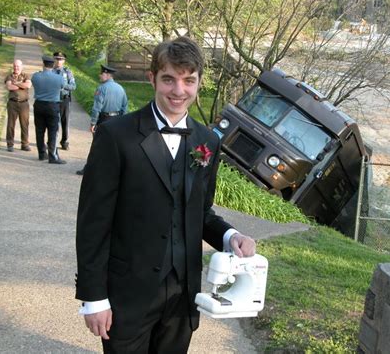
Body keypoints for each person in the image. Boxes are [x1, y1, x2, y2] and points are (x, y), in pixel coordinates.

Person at [75, 36, 256, 353]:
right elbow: (93, 223)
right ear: (152, 78)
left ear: (199, 82)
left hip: (181, 297)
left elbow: (200, 213)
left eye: (189, 81)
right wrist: (94, 297)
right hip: (126, 294)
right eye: (169, 79)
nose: (178, 90)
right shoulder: (115, 136)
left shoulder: (207, 141)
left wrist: (231, 236)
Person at [75, 64, 127, 175]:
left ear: (107, 75)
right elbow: (124, 107)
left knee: (97, 146)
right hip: (117, 120)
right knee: (113, 146)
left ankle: (89, 169)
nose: (99, 75)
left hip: (104, 119)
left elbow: (97, 107)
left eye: (102, 73)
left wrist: (93, 122)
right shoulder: (121, 88)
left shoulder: (102, 88)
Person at [31, 55, 66, 164]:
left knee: (39, 130)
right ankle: (52, 156)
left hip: (39, 104)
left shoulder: (35, 76)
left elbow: (34, 84)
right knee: (52, 131)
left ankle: (41, 153)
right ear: (53, 65)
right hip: (52, 105)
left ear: (43, 64)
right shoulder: (59, 78)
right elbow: (63, 86)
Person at [4, 59, 31, 152]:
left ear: (21, 67)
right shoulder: (9, 76)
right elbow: (9, 86)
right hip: (12, 103)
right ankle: (10, 144)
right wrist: (20, 85)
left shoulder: (26, 75)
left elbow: (28, 85)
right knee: (11, 124)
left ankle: (25, 144)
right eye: (15, 66)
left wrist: (17, 83)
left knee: (25, 124)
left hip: (24, 104)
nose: (16, 68)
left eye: (18, 66)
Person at [53, 51, 76, 150]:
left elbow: (73, 86)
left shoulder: (67, 72)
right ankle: (52, 140)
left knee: (65, 121)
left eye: (61, 59)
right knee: (53, 121)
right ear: (54, 59)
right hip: (53, 99)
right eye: (57, 59)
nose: (59, 61)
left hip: (64, 99)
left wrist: (63, 85)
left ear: (64, 61)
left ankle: (64, 141)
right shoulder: (50, 71)